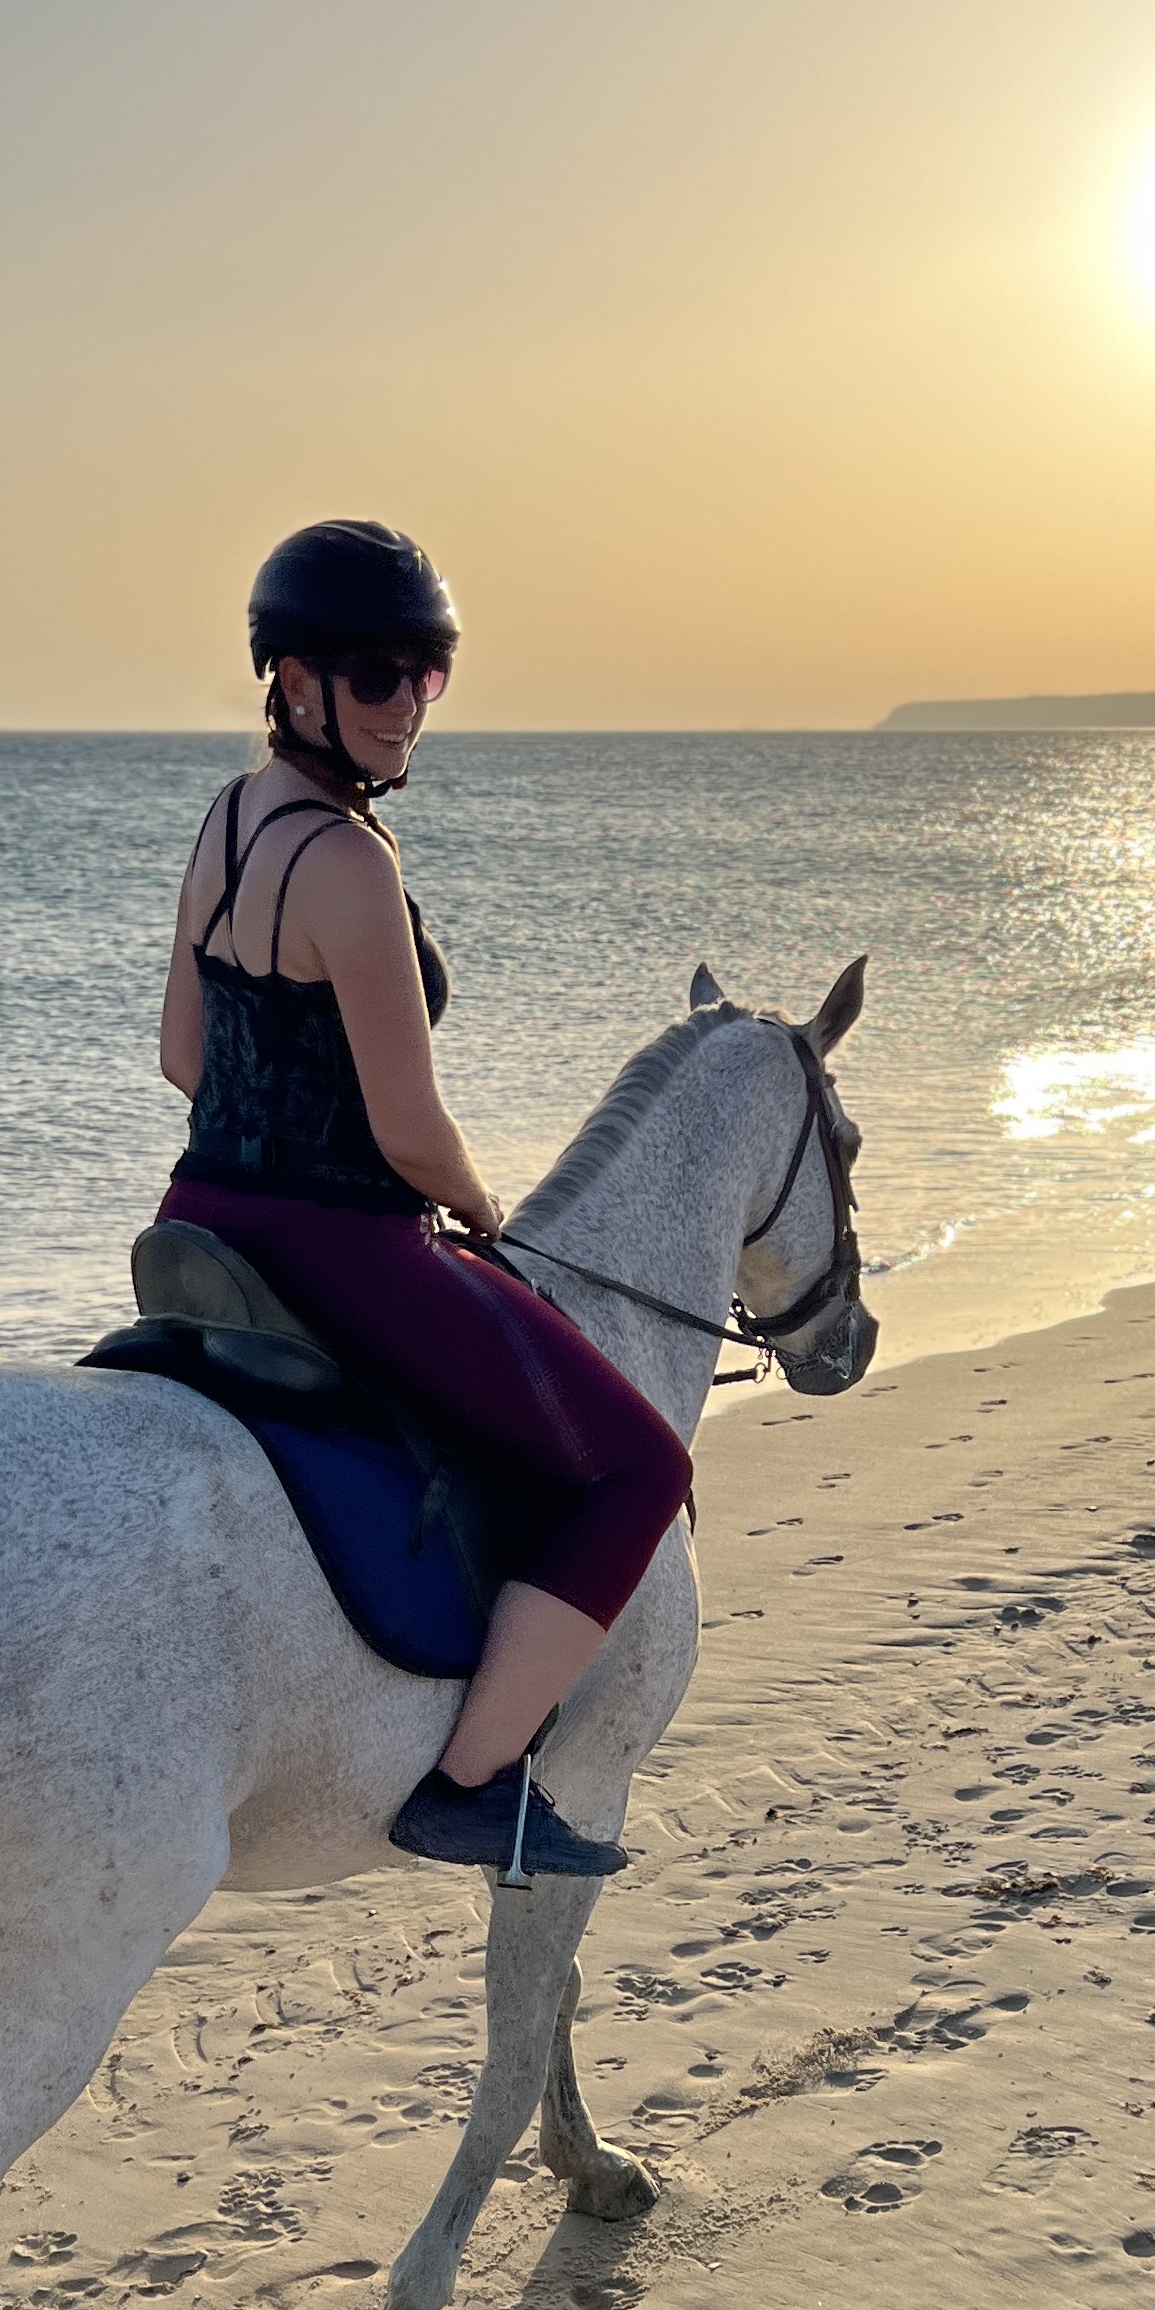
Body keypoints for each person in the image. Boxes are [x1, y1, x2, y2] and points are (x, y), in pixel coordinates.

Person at [156, 521, 693, 1875]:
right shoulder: (349, 863)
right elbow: (409, 1131)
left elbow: (181, 1056)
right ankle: (468, 1777)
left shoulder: (228, 821)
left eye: (430, 678)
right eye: (382, 678)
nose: (411, 708)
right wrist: (478, 1205)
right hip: (340, 1245)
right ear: (291, 679)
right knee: (639, 1468)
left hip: (201, 1223)